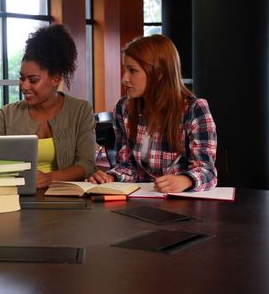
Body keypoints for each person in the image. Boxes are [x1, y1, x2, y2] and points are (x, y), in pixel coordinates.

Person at [87, 34, 217, 193]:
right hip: (138, 201)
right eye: (125, 69)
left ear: (160, 73)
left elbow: (207, 171)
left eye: (132, 71)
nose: (124, 78)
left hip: (181, 203)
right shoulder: (124, 108)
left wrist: (185, 180)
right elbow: (128, 166)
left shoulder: (194, 109)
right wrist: (111, 177)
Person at [0, 24, 96, 189]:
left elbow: (87, 164)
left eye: (33, 80)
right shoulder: (7, 114)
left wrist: (49, 178)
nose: (24, 86)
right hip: (16, 198)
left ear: (56, 79)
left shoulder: (80, 111)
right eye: (22, 78)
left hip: (67, 199)